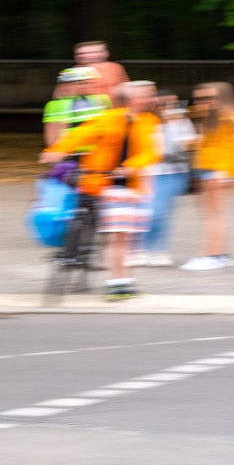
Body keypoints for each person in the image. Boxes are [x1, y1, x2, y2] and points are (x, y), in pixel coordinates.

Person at [41, 80, 161, 301]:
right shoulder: (109, 119)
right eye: (145, 95)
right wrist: (56, 151)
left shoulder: (149, 121)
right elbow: (80, 134)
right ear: (131, 99)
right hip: (107, 185)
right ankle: (115, 284)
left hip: (133, 187)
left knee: (128, 238)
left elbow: (151, 152)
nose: (150, 99)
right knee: (117, 236)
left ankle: (126, 282)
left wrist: (130, 167)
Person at [180, 81, 234, 271]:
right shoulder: (210, 116)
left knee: (213, 216)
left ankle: (211, 256)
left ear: (221, 98)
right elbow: (207, 144)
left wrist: (225, 172)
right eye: (198, 99)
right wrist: (190, 143)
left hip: (218, 171)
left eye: (207, 98)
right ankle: (221, 254)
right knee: (211, 215)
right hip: (205, 168)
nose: (201, 102)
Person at [134, 90, 196, 268]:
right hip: (153, 172)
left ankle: (159, 250)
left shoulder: (182, 122)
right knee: (152, 212)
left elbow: (189, 145)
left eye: (172, 104)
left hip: (176, 172)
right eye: (162, 104)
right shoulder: (146, 122)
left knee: (164, 213)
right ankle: (141, 249)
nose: (167, 108)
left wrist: (175, 127)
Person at [44, 67, 111, 146]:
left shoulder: (103, 100)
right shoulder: (56, 105)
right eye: (84, 83)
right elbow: (53, 139)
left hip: (98, 150)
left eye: (92, 83)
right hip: (69, 150)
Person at [52, 41, 130, 99]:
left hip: (112, 110)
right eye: (82, 53)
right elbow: (59, 96)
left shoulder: (115, 68)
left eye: (94, 52)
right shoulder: (70, 73)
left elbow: (127, 90)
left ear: (106, 53)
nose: (88, 55)